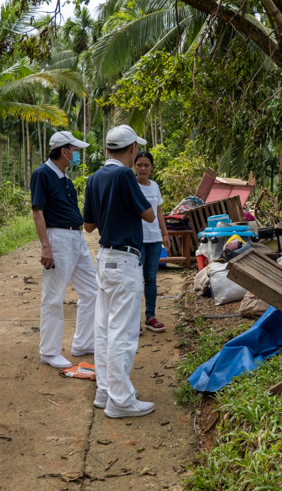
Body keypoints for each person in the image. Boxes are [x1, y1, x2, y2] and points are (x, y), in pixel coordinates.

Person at [83, 125, 156, 418]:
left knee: (103, 330)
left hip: (103, 258)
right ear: (132, 149)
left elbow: (88, 225)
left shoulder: (94, 178)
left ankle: (105, 390)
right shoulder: (125, 175)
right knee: (122, 333)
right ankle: (121, 400)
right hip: (124, 260)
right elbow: (148, 215)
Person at [30, 131, 97, 369]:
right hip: (57, 237)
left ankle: (83, 342)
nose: (77, 154)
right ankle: (48, 351)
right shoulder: (43, 174)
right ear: (64, 151)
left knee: (92, 289)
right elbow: (38, 211)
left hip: (75, 237)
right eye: (75, 150)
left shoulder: (65, 178)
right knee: (54, 296)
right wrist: (45, 246)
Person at [134, 151, 170, 333]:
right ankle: (134, 321)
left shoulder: (155, 186)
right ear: (134, 166)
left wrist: (165, 233)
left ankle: (150, 317)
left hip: (154, 239)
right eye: (139, 165)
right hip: (137, 240)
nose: (143, 168)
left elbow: (159, 212)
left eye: (146, 165)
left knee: (151, 279)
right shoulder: (131, 185)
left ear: (152, 168)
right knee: (134, 280)